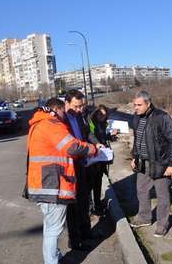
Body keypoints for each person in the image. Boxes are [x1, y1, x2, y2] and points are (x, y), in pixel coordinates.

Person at [26, 97, 97, 264]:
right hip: (52, 184)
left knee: (50, 227)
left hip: (42, 183)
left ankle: (54, 256)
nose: (65, 115)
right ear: (57, 109)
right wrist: (92, 149)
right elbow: (72, 147)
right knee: (53, 230)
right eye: (63, 111)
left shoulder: (38, 124)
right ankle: (52, 261)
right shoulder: (52, 124)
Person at [129, 90, 172, 237]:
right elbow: (137, 140)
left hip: (160, 164)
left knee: (162, 196)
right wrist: (134, 157)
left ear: (148, 104)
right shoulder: (136, 117)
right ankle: (144, 217)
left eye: (139, 105)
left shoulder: (162, 117)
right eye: (134, 105)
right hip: (143, 163)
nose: (136, 108)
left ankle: (162, 224)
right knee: (141, 190)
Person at [64, 89, 102, 250]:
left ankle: (86, 232)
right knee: (72, 205)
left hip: (82, 164)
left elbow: (87, 134)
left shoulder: (79, 116)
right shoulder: (61, 119)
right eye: (77, 106)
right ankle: (75, 240)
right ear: (67, 103)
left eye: (82, 106)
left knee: (84, 199)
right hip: (69, 166)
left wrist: (96, 143)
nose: (80, 109)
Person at [88, 105, 118, 215]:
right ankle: (91, 208)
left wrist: (111, 136)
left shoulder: (102, 122)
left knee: (98, 180)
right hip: (92, 157)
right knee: (91, 183)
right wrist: (97, 144)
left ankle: (97, 204)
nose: (103, 117)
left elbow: (103, 136)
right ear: (96, 113)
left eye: (105, 115)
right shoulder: (90, 122)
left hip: (101, 157)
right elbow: (90, 135)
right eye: (101, 115)